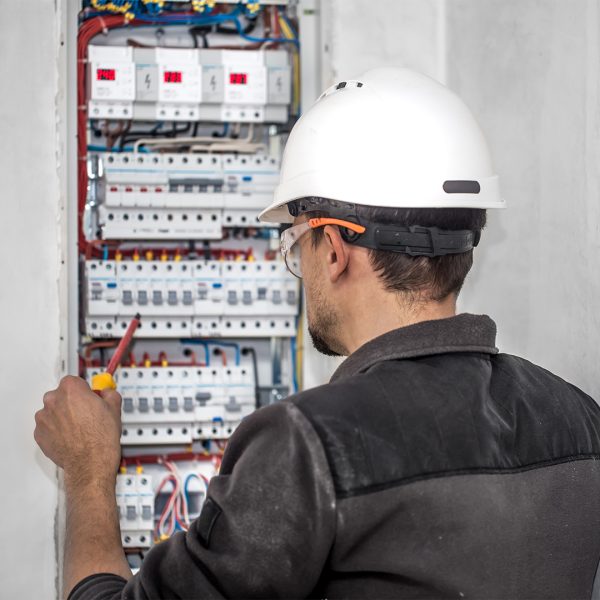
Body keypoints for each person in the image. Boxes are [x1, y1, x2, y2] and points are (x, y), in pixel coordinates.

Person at [35, 68, 600, 600]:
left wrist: (88, 471)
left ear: (332, 249)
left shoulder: (308, 444)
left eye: (294, 245)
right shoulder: (580, 420)